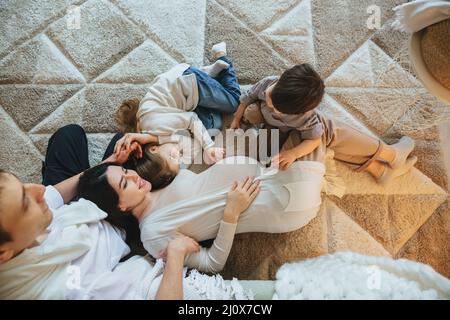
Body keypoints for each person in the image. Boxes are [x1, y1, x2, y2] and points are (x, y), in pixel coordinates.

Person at [0, 124, 252, 300]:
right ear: (4, 253)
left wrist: (108, 165)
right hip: (116, 221)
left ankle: (110, 174)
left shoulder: (40, 204)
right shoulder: (66, 289)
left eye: (22, 185)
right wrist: (174, 255)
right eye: (25, 202)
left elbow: (53, 195)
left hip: (79, 211)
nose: (38, 190)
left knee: (71, 136)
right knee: (139, 157)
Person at [77, 151, 326, 274]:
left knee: (317, 131)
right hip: (284, 203)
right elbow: (211, 263)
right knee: (323, 137)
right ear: (121, 207)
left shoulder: (152, 181)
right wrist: (231, 213)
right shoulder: (152, 235)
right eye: (124, 183)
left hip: (272, 172)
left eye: (125, 171)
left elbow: (177, 146)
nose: (133, 176)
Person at [230, 63, 417, 185]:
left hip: (292, 133)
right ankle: (388, 158)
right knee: (326, 131)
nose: (269, 105)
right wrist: (236, 118)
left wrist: (293, 153)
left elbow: (313, 139)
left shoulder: (307, 118)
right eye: (270, 98)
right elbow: (248, 98)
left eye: (277, 108)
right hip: (273, 132)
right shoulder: (268, 83)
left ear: (299, 112)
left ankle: (380, 168)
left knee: (318, 136)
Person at [113, 42, 241, 188]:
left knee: (233, 102)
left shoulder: (157, 126)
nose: (179, 154)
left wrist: (210, 148)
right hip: (181, 98)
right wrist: (182, 168)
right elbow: (190, 145)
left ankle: (221, 56)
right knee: (213, 125)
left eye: (174, 156)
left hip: (188, 82)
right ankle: (210, 76)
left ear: (154, 149)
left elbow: (192, 119)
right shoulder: (154, 140)